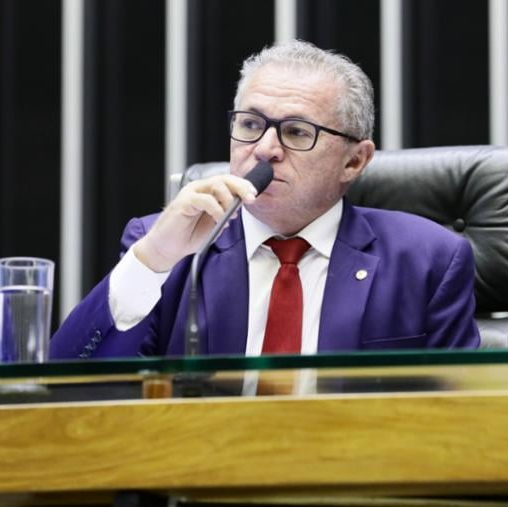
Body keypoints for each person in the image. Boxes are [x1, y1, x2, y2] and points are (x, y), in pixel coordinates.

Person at [50, 41, 479, 359]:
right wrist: (153, 260)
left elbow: (461, 421)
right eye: (251, 124)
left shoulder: (428, 260)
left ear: (354, 161)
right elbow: (73, 385)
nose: (265, 149)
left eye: (295, 131)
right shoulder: (166, 248)